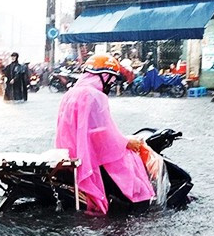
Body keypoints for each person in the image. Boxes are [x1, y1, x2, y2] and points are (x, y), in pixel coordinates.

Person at [55, 53, 155, 215]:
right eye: (112, 79)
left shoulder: (70, 93)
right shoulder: (95, 96)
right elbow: (106, 134)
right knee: (130, 159)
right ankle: (135, 202)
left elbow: (90, 129)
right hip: (86, 156)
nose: (113, 82)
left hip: (70, 152)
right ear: (104, 76)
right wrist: (126, 142)